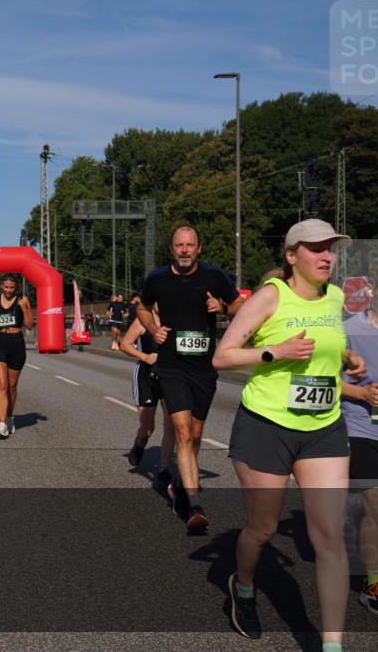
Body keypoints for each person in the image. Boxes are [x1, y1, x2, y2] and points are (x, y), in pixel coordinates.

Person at [213, 219, 365, 646]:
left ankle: (332, 644)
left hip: (323, 429)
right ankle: (243, 586)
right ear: (292, 255)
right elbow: (222, 358)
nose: (327, 256)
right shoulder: (269, 297)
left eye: (331, 248)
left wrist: (348, 356)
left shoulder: (336, 298)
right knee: (262, 529)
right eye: (316, 248)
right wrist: (274, 352)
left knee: (331, 538)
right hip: (267, 427)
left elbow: (328, 339)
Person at [138, 225, 244, 531]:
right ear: (171, 248)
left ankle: (182, 488)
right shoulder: (157, 278)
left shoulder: (214, 276)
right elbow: (143, 307)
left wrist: (222, 307)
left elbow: (239, 305)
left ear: (199, 248)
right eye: (179, 245)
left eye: (190, 245)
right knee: (183, 433)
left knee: (195, 436)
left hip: (204, 368)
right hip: (171, 366)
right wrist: (151, 328)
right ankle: (195, 507)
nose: (184, 250)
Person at [340, 264, 378, 618]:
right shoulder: (349, 331)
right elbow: (326, 380)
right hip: (361, 428)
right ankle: (374, 583)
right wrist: (360, 393)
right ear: (372, 291)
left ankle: (362, 520)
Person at [119, 304, 175, 489]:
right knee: (148, 427)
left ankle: (164, 469)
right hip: (146, 376)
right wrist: (144, 357)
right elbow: (124, 344)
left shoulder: (175, 317)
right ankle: (140, 442)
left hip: (170, 376)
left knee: (172, 424)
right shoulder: (143, 319)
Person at [0, 274, 34, 439]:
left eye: (12, 288)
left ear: (17, 288)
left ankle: (9, 417)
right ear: (1, 286)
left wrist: (24, 309)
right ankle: (1, 425)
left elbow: (29, 325)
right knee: (2, 384)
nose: (9, 291)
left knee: (12, 386)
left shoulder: (23, 299)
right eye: (6, 287)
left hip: (16, 343)